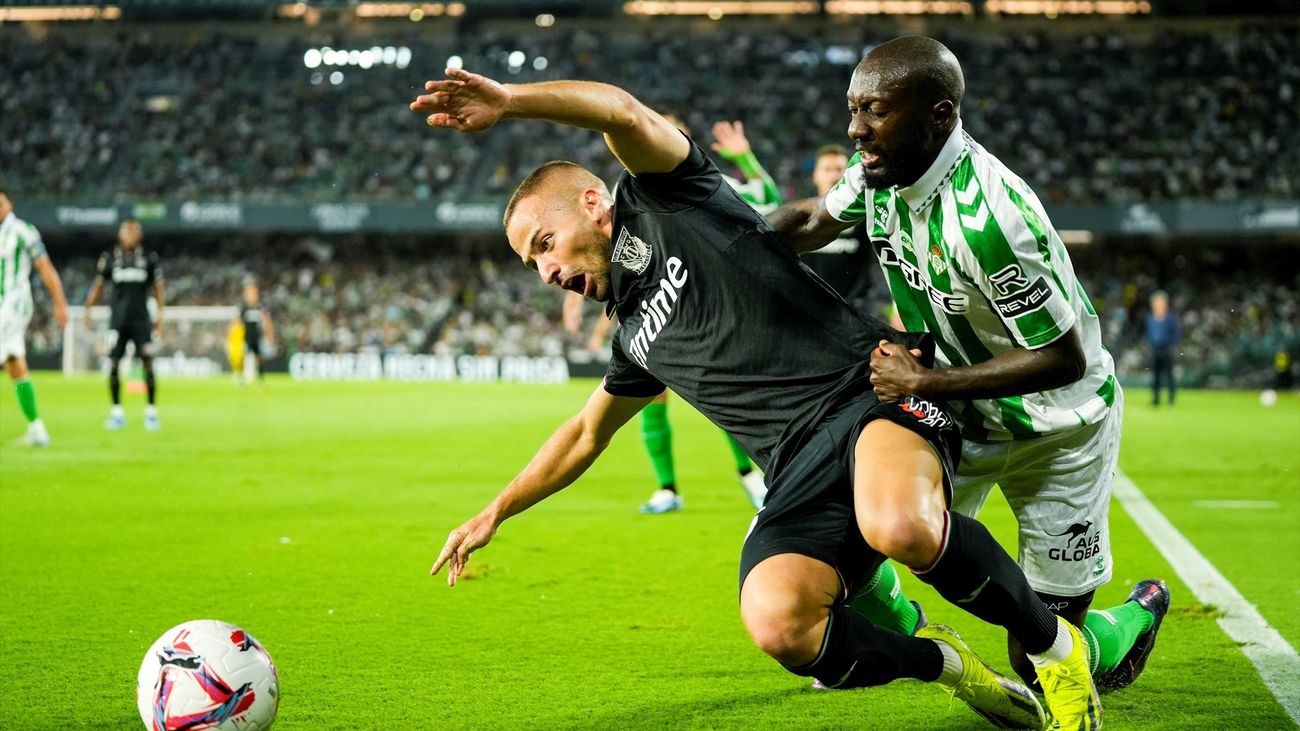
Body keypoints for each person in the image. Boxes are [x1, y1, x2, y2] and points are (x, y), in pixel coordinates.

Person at [412, 67, 1102, 729]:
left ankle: (1055, 649)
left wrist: (511, 100)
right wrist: (496, 509)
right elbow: (586, 433)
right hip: (794, 470)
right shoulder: (631, 339)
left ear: (593, 204)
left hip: (868, 396)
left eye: (545, 244)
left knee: (901, 526)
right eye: (533, 264)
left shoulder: (664, 194)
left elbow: (621, 111)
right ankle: (945, 663)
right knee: (779, 623)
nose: (548, 271)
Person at [769, 35, 1168, 698]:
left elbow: (1063, 357)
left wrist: (924, 382)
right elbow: (813, 219)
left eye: (874, 111)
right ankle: (918, 634)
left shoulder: (994, 217)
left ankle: (1138, 612)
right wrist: (720, 239)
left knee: (1040, 656)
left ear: (939, 116)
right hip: (967, 416)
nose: (854, 128)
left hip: (1063, 428)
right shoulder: (878, 173)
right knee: (867, 536)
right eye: (853, 108)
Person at [565, 117, 776, 514]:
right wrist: (584, 305)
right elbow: (622, 278)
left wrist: (745, 158)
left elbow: (768, 198)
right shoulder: (626, 201)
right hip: (665, 315)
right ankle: (668, 488)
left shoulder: (707, 188)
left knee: (723, 394)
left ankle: (749, 476)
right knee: (650, 399)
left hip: (713, 314)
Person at [0, 189, 69, 447]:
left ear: (9, 205)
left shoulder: (22, 231)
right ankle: (37, 428)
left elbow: (45, 267)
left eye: (1, 202)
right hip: (1, 307)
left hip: (15, 303)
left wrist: (60, 304)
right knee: (14, 364)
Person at [84, 218, 164, 431]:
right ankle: (117, 412)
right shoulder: (110, 258)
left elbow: (158, 288)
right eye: (126, 232)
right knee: (113, 364)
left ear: (139, 235)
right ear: (120, 235)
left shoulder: (148, 258)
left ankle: (151, 413)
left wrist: (160, 317)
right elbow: (99, 285)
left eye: (133, 232)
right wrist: (88, 308)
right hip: (117, 323)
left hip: (142, 322)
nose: (129, 235)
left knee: (148, 364)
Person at [801, 145, 878, 318]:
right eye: (827, 169)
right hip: (809, 310)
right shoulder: (801, 216)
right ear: (815, 175)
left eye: (839, 169)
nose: (833, 175)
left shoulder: (867, 213)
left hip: (857, 310)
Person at [234, 280, 275, 385]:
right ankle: (241, 379)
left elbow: (266, 321)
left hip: (257, 338)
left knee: (259, 359)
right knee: (243, 359)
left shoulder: (260, 307)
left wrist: (269, 334)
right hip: (246, 338)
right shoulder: (244, 308)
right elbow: (237, 322)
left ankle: (260, 380)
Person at [1145, 291, 1178, 407]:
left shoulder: (1170, 319)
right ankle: (1156, 398)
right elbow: (1149, 334)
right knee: (1155, 376)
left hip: (1167, 349)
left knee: (1169, 376)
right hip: (1155, 349)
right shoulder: (1150, 318)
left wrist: (1172, 347)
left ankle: (1171, 399)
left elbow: (1175, 334)